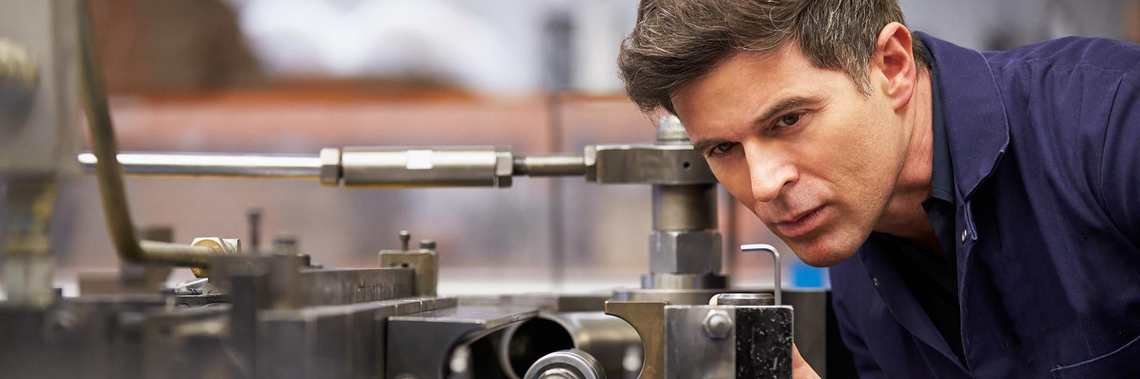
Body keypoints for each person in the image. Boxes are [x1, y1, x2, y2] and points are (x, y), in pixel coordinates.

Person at [617, 0, 1140, 377]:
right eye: (723, 150)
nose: (764, 185)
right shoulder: (852, 263)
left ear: (892, 66)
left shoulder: (1114, 126)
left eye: (789, 119)